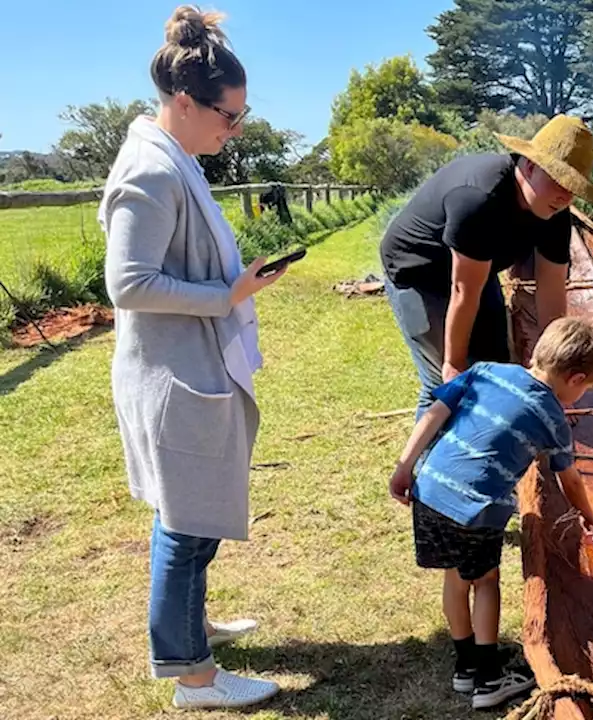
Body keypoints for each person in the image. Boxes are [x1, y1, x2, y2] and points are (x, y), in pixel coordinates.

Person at [100, 6, 285, 709]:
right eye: (228, 117)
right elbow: (128, 282)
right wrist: (226, 293)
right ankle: (193, 677)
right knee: (185, 523)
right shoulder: (150, 171)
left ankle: (191, 628)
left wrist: (236, 285)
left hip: (189, 369)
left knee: (192, 513)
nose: (232, 130)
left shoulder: (174, 158)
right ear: (185, 102)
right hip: (172, 375)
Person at [388, 318, 593, 710]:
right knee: (486, 582)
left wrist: (405, 466)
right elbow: (569, 481)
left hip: (431, 488)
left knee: (455, 578)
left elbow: (434, 413)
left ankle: (465, 667)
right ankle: (489, 680)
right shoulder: (552, 417)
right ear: (576, 379)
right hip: (477, 507)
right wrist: (589, 516)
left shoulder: (485, 371)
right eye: (586, 390)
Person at [380, 115, 593, 420]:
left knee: (498, 361)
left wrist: (557, 378)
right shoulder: (480, 199)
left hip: (475, 271)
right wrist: (454, 364)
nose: (565, 195)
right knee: (447, 383)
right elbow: (462, 292)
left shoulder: (555, 212)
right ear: (530, 165)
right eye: (558, 180)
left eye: (573, 187)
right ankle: (426, 465)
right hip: (418, 272)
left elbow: (551, 301)